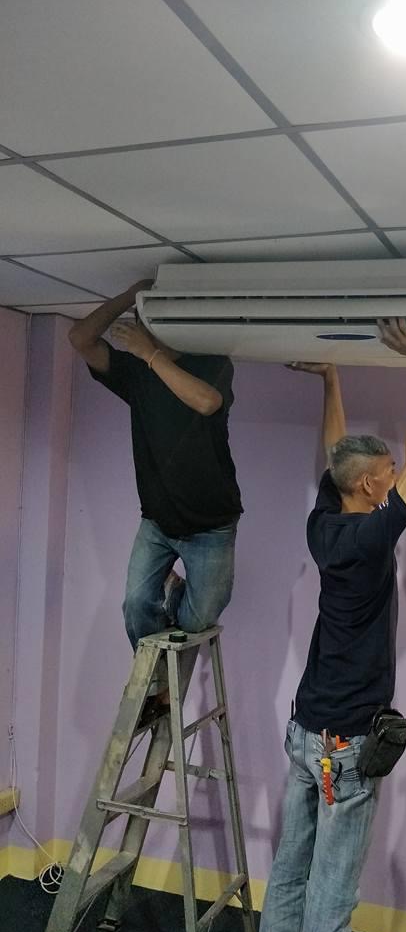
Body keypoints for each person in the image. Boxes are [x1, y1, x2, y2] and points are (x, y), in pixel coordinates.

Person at [258, 318, 406, 932]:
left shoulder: (324, 522)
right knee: (333, 885)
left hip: (305, 730)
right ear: (370, 485)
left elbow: (336, 453)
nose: (397, 473)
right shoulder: (370, 536)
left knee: (291, 869)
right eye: (388, 471)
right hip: (345, 742)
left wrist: (330, 380)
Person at [68, 280, 242, 718]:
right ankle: (160, 689)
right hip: (158, 522)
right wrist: (128, 295)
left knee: (198, 621)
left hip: (212, 525)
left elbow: (206, 402)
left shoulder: (211, 363)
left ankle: (175, 603)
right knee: (135, 605)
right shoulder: (135, 374)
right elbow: (80, 338)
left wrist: (150, 354)